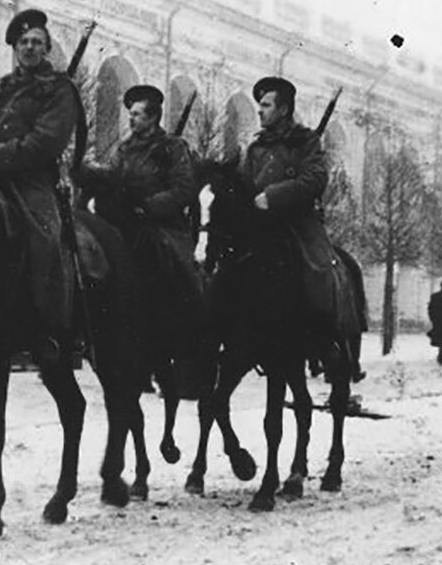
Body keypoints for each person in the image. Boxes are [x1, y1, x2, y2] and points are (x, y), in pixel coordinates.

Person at [0, 8, 79, 362]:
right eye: (23, 42)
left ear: (47, 48)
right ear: (15, 47)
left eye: (36, 42)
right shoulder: (5, 87)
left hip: (33, 182)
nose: (29, 47)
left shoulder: (60, 90)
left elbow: (45, 143)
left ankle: (49, 327)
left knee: (44, 238)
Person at [240, 76, 360, 379]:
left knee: (320, 268)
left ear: (283, 109)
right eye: (259, 105)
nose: (260, 111)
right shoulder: (256, 147)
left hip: (298, 223)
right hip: (260, 224)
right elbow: (242, 184)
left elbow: (315, 179)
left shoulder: (306, 141)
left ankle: (324, 332)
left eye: (266, 105)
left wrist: (275, 196)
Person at [100, 84, 211, 394]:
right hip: (127, 223)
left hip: (164, 226)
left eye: (137, 114)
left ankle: (192, 355)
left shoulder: (174, 148)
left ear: (153, 117)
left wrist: (148, 206)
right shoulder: (124, 149)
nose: (131, 120)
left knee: (183, 277)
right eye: (130, 114)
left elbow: (184, 188)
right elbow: (112, 176)